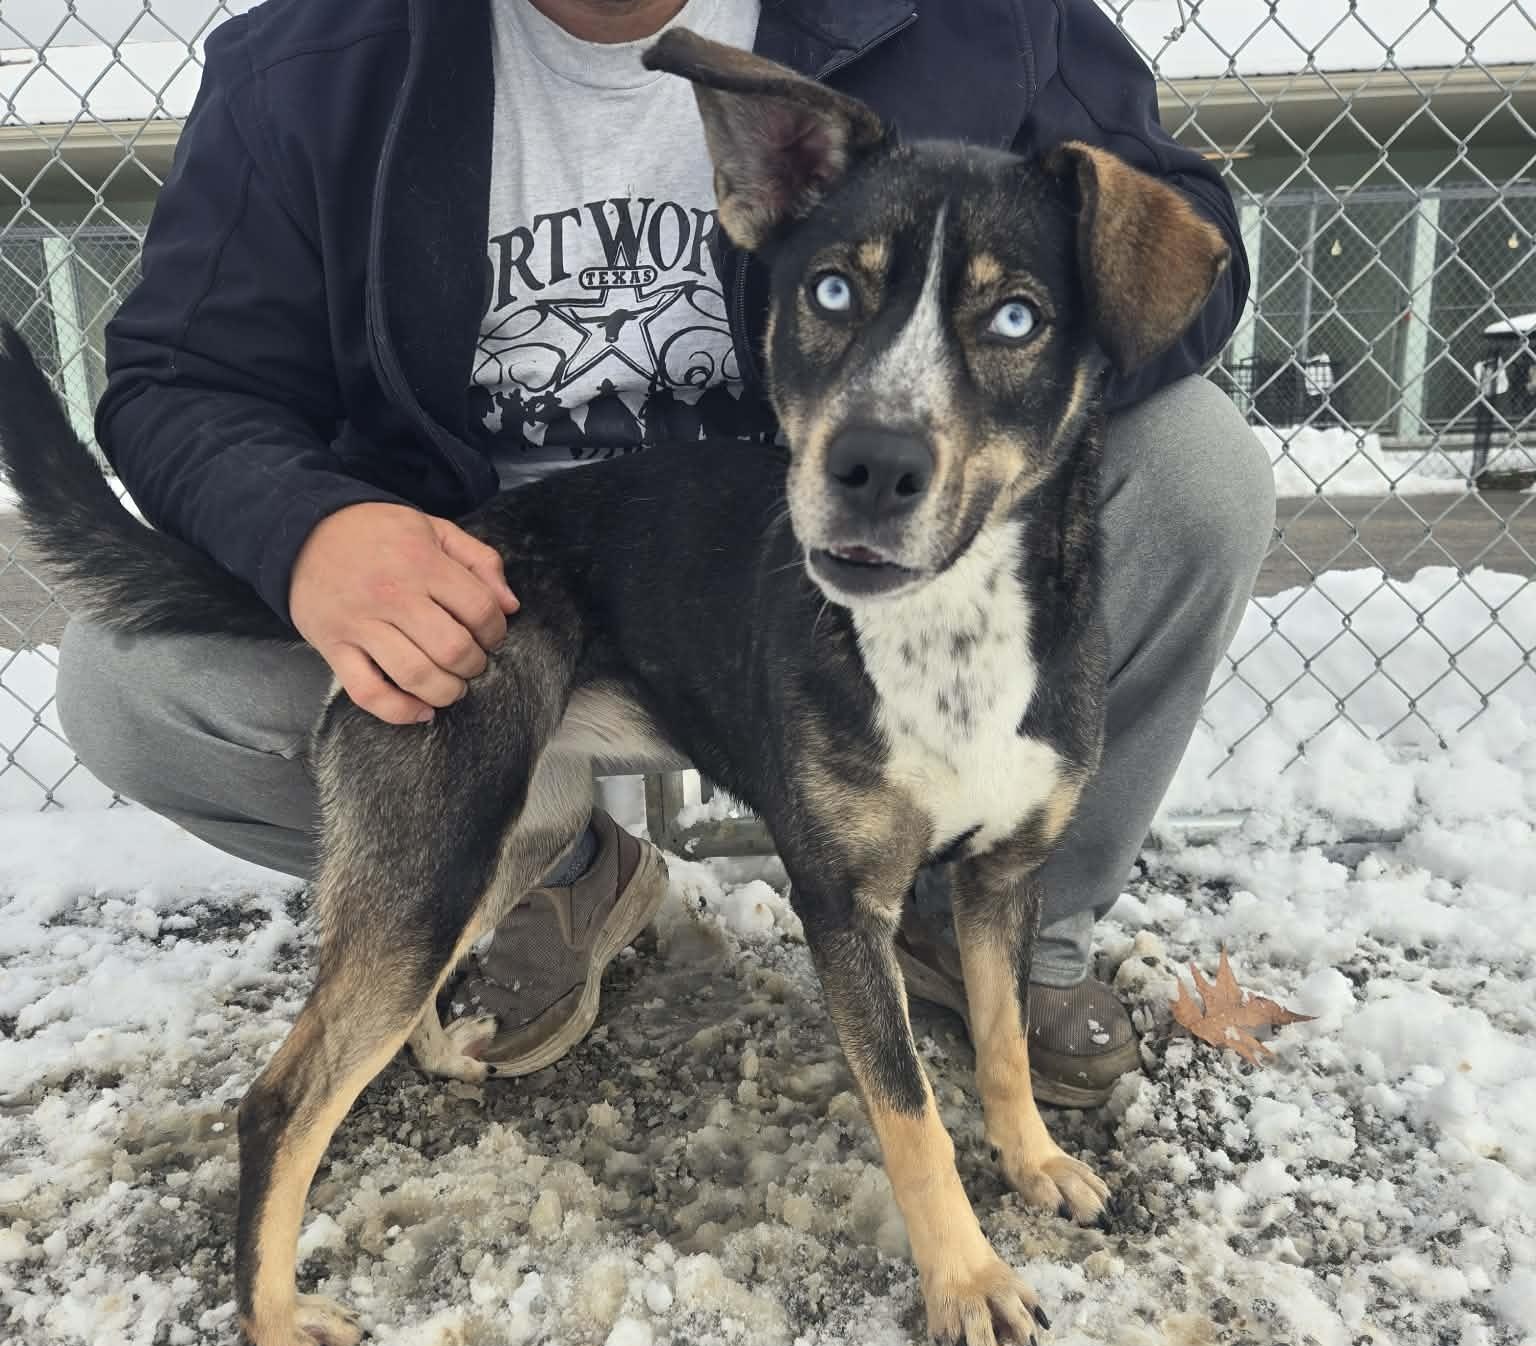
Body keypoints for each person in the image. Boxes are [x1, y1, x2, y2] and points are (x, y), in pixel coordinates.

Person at [57, 0, 1276, 1103]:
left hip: (856, 559)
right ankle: (547, 860)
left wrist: (996, 368)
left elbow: (1188, 248)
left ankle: (995, 918)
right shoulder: (306, 66)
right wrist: (312, 531)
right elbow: (182, 382)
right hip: (498, 593)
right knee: (141, 684)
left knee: (1194, 477)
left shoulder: (980, 20)